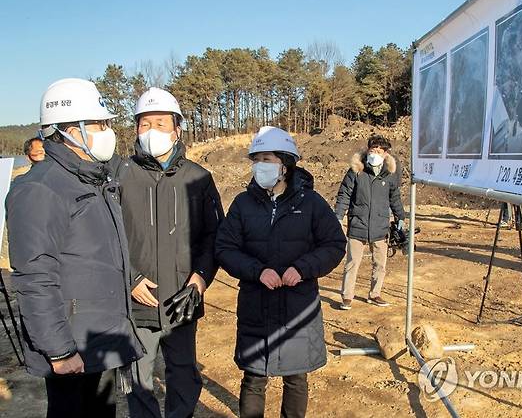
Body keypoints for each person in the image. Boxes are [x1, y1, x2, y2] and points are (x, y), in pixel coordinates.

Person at [5, 78, 142, 418]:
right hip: (72, 345)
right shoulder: (41, 189)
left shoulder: (93, 180)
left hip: (101, 336)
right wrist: (59, 350)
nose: (107, 131)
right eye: (99, 124)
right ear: (69, 130)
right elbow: (35, 277)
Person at [215, 126, 346, 418]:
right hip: (255, 306)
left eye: (267, 159)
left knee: (296, 377)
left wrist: (302, 268)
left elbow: (335, 244)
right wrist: (257, 271)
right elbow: (224, 248)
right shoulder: (242, 203)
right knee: (253, 377)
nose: (260, 166)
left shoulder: (311, 204)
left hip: (297, 306)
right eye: (256, 159)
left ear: (286, 164)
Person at [115, 87, 224, 418]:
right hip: (137, 302)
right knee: (137, 380)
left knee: (183, 378)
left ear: (177, 129)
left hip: (182, 300)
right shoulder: (120, 175)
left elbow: (213, 237)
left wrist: (201, 279)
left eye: (160, 123)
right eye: (144, 124)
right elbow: (107, 237)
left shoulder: (199, 178)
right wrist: (129, 277)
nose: (152, 132)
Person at [334, 135, 405, 310]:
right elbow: (344, 194)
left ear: (386, 153)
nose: (375, 154)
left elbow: (394, 197)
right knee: (352, 263)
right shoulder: (356, 171)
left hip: (380, 227)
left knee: (380, 264)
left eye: (379, 151)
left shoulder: (389, 174)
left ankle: (375, 294)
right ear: (367, 151)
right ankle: (347, 296)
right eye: (372, 150)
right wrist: (338, 216)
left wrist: (400, 216)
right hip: (358, 224)